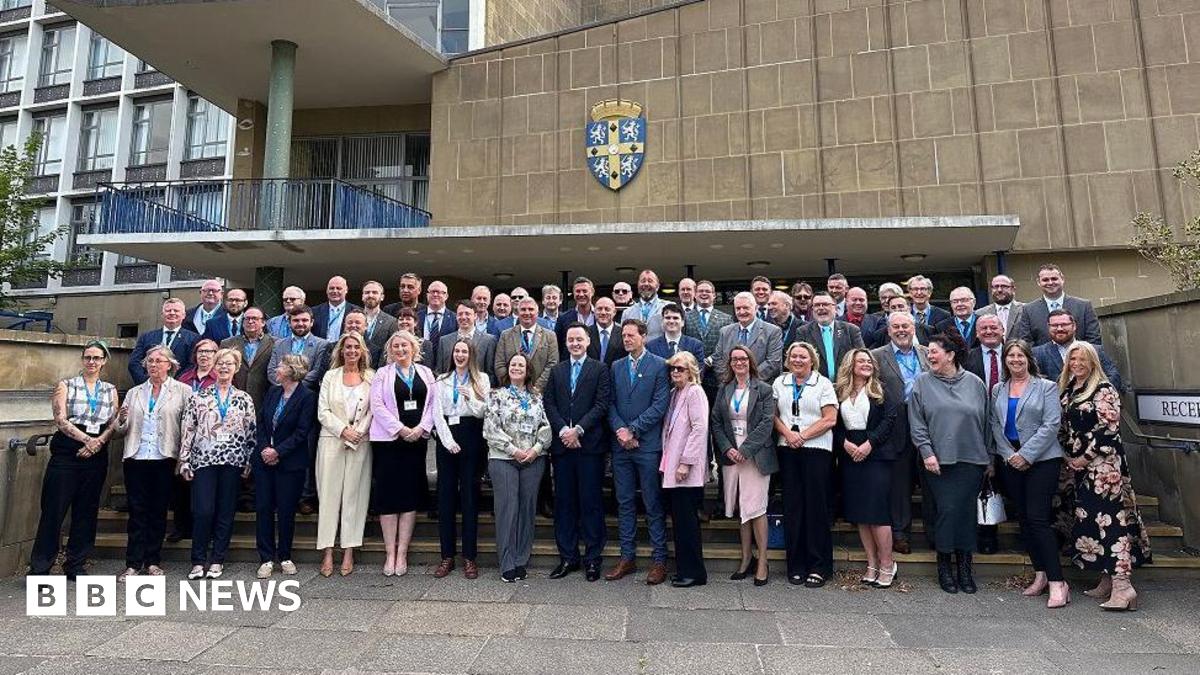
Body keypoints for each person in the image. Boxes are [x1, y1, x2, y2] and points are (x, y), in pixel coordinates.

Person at [1058, 340, 1151, 611]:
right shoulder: (1070, 388)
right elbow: (1064, 426)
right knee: (1092, 523)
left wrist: (1084, 458)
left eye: (1082, 359)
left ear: (1093, 362)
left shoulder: (1103, 388)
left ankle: (1123, 586)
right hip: (1079, 468)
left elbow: (1109, 428)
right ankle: (1106, 579)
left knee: (1111, 523)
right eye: (1072, 359)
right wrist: (1069, 458)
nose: (1077, 364)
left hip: (1103, 468)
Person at [988, 339, 1069, 608]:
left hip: (1041, 460)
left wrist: (1027, 454)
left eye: (1020, 355)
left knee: (1037, 519)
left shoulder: (1045, 387)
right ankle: (1040, 574)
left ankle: (1058, 582)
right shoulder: (998, 389)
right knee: (1023, 518)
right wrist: (1009, 454)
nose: (1015, 360)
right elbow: (995, 425)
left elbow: (1051, 424)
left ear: (1028, 358)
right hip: (1010, 460)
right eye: (1010, 356)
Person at [907, 332, 989, 594]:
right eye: (928, 352)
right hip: (937, 461)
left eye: (934, 352)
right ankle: (944, 565)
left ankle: (965, 567)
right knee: (947, 511)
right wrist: (927, 452)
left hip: (972, 460)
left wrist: (990, 458)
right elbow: (917, 423)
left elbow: (987, 422)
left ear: (951, 355)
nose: (929, 356)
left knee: (966, 513)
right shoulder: (922, 383)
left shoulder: (975, 383)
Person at [30, 341, 119, 579]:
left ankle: (76, 564)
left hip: (97, 453)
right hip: (68, 450)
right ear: (82, 359)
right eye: (88, 357)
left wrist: (98, 442)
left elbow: (113, 423)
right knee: (53, 510)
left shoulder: (110, 390)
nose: (92, 362)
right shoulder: (66, 385)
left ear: (104, 361)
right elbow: (60, 419)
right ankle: (40, 567)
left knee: (87, 511)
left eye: (97, 358)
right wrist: (86, 441)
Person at [114, 346, 192, 580]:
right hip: (137, 456)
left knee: (158, 511)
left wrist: (184, 458)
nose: (154, 365)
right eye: (150, 361)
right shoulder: (135, 392)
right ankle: (133, 563)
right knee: (137, 511)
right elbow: (121, 428)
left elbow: (188, 427)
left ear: (170, 365)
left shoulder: (183, 390)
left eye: (159, 361)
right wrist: (120, 419)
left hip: (164, 457)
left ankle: (153, 561)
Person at [179, 348, 256, 580]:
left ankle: (217, 560)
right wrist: (184, 459)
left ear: (236, 368)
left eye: (229, 364)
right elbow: (188, 429)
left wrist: (249, 460)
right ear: (213, 366)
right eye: (220, 363)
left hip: (233, 461)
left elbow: (251, 431)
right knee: (202, 511)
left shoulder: (244, 398)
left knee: (225, 512)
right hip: (204, 460)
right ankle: (198, 560)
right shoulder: (199, 397)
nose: (224, 367)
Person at [605, 319, 671, 584]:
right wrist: (621, 431)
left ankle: (659, 560)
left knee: (653, 503)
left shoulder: (658, 365)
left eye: (631, 335)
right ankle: (627, 557)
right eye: (624, 336)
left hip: (647, 446)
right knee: (624, 502)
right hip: (621, 448)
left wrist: (633, 430)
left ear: (644, 336)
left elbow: (660, 404)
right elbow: (609, 403)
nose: (627, 339)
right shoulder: (616, 366)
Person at [544, 323, 611, 581]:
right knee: (565, 504)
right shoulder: (557, 370)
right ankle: (568, 557)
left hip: (589, 447)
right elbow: (549, 402)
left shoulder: (599, 368)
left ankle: (593, 559)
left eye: (579, 339)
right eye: (571, 339)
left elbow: (602, 403)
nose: (574, 343)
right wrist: (563, 430)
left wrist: (579, 430)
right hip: (563, 448)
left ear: (587, 341)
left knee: (591, 503)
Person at [369, 329, 437, 576]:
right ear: (390, 350)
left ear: (413, 348)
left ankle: (402, 553)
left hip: (416, 442)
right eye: (395, 346)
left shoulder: (427, 373)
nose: (400, 350)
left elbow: (433, 404)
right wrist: (400, 429)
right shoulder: (382, 374)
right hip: (389, 442)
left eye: (404, 346)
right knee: (389, 498)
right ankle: (390, 554)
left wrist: (421, 428)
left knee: (409, 497)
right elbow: (376, 405)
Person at [772, 341, 839, 587]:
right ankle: (796, 565)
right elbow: (773, 415)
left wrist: (803, 435)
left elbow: (830, 418)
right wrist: (789, 435)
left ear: (812, 360)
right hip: (788, 449)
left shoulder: (822, 384)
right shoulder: (780, 382)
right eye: (794, 356)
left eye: (803, 356)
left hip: (816, 450)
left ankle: (818, 566)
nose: (798, 360)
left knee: (816, 508)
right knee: (793, 507)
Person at [834, 348, 901, 588]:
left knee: (877, 513)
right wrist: (844, 443)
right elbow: (835, 423)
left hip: (877, 454)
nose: (866, 364)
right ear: (850, 365)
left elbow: (889, 420)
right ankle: (871, 563)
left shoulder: (882, 389)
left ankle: (887, 563)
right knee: (860, 514)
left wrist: (870, 444)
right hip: (850, 454)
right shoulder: (840, 391)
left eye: (869, 361)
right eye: (861, 360)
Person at [710, 345, 775, 586]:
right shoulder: (724, 389)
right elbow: (716, 421)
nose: (739, 362)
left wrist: (746, 450)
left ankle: (762, 561)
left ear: (751, 362)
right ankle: (746, 558)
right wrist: (728, 448)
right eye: (735, 359)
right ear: (729, 364)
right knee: (742, 509)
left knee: (756, 508)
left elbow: (767, 423)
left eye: (743, 359)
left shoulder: (765, 389)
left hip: (754, 455)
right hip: (732, 455)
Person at [485, 352, 552, 582]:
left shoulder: (536, 397)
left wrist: (535, 449)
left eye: (520, 365)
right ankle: (507, 562)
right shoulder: (497, 395)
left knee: (526, 509)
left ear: (527, 370)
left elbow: (546, 425)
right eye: (513, 364)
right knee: (508, 509)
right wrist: (514, 450)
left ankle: (521, 559)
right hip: (504, 459)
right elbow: (490, 428)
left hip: (533, 459)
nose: (516, 367)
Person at [429, 337, 491, 580]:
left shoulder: (481, 379)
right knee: (445, 497)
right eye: (457, 351)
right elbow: (436, 413)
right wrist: (447, 441)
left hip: (472, 435)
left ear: (471, 355)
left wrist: (470, 398)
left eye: (464, 351)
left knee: (469, 497)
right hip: (447, 438)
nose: (460, 355)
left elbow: (484, 411)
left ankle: (469, 557)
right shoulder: (442, 380)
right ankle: (447, 556)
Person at [315, 333, 375, 578]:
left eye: (356, 347)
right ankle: (328, 551)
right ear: (341, 351)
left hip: (361, 442)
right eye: (347, 347)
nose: (351, 351)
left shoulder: (371, 377)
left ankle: (349, 550)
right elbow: (323, 411)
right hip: (332, 440)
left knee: (355, 496)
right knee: (329, 497)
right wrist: (343, 431)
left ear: (362, 351)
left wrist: (358, 432)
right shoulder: (331, 376)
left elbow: (375, 409)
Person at [870, 312, 930, 554]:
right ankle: (900, 533)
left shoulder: (927, 352)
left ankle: (935, 532)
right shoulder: (876, 356)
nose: (901, 330)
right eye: (896, 327)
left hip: (927, 420)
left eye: (906, 325)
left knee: (930, 478)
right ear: (889, 330)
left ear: (913, 327)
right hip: (896, 422)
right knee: (900, 482)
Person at [253, 354, 316, 579]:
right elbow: (260, 423)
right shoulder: (273, 392)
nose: (277, 369)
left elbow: (302, 432)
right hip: (264, 461)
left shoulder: (307, 396)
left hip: (290, 463)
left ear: (292, 370)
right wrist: (264, 449)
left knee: (287, 510)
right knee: (263, 509)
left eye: (280, 365)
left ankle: (285, 556)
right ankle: (266, 558)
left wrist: (278, 451)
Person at [660, 351, 709, 587]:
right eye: (673, 368)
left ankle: (694, 573)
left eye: (680, 368)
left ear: (691, 371)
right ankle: (684, 569)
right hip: (672, 465)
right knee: (679, 522)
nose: (675, 372)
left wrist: (685, 462)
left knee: (688, 523)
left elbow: (699, 428)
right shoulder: (674, 393)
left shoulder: (695, 392)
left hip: (685, 469)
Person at [169, 338, 219, 541]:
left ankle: (207, 530)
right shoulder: (184, 378)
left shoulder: (220, 378)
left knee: (206, 488)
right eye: (200, 351)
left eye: (209, 352)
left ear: (216, 356)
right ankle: (181, 527)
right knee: (182, 483)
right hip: (185, 435)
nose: (204, 355)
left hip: (211, 439)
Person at [1014, 263, 1102, 345]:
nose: (1050, 283)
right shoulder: (1028, 310)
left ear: (1062, 279)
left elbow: (1094, 339)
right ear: (1038, 282)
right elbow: (1026, 342)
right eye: (1045, 280)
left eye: (1054, 279)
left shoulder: (1084, 306)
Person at [1033, 310, 1123, 390]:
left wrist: (1093, 392)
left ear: (1074, 326)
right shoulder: (1038, 353)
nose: (1059, 328)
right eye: (1054, 325)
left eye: (1064, 324)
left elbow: (1114, 377)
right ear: (1048, 327)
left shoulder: (1095, 350)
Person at [713, 292, 784, 383]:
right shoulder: (725, 332)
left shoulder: (772, 331)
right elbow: (718, 359)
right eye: (738, 308)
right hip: (730, 388)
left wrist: (747, 381)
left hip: (760, 389)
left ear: (755, 308)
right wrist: (730, 380)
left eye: (746, 308)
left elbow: (773, 362)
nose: (742, 312)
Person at [794, 293, 865, 381]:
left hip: (846, 386)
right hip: (816, 386)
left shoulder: (851, 330)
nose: (821, 308)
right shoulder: (803, 332)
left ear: (835, 308)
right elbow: (798, 360)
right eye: (816, 305)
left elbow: (862, 358)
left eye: (825, 304)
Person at [494, 297, 559, 393]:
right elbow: (499, 364)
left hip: (540, 393)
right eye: (523, 309)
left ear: (537, 313)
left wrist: (536, 388)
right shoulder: (506, 335)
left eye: (531, 309)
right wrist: (513, 387)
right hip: (511, 393)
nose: (527, 313)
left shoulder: (550, 336)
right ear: (518, 313)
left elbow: (552, 364)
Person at [129, 297, 199, 384]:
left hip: (178, 388)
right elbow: (134, 363)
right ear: (162, 314)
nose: (172, 313)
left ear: (184, 315)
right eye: (168, 310)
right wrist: (148, 382)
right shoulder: (146, 337)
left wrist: (172, 383)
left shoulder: (193, 338)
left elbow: (192, 365)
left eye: (176, 311)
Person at [684, 280, 734, 397]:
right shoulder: (685, 317)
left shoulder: (726, 319)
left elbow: (727, 345)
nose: (704, 293)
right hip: (692, 373)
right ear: (695, 295)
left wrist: (710, 360)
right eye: (701, 291)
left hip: (717, 375)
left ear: (714, 296)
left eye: (708, 291)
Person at [222, 306, 275, 411]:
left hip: (263, 397)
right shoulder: (227, 343)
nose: (250, 321)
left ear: (263, 323)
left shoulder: (275, 343)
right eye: (247, 318)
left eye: (255, 318)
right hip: (233, 398)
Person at [268, 305, 330, 390]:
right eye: (296, 320)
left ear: (311, 322)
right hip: (279, 393)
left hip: (307, 396)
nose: (300, 324)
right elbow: (271, 371)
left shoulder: (322, 345)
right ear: (289, 323)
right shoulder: (278, 344)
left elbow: (316, 372)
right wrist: (285, 386)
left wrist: (293, 386)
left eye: (304, 320)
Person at [437, 299, 498, 381]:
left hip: (477, 390)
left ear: (475, 316)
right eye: (460, 314)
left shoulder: (488, 341)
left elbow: (490, 373)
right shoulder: (444, 341)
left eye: (467, 314)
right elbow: (440, 371)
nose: (463, 317)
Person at [646, 303, 704, 370]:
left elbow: (698, 372)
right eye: (668, 318)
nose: (671, 321)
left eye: (675, 318)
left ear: (682, 322)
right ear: (662, 321)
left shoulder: (695, 346)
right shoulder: (651, 346)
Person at [620, 269, 670, 340]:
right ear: (638, 285)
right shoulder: (627, 312)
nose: (646, 284)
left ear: (657, 286)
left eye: (650, 281)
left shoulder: (668, 307)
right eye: (643, 281)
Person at [555, 276, 597, 358]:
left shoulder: (600, 316)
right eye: (578, 291)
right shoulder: (563, 318)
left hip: (595, 366)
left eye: (585, 291)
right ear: (573, 294)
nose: (581, 294)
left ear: (592, 292)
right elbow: (558, 346)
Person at [361, 280, 399, 367]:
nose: (370, 295)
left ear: (382, 297)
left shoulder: (391, 322)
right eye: (367, 292)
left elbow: (391, 349)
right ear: (362, 296)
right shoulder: (354, 319)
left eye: (374, 292)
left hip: (381, 370)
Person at [976, 274, 1025, 338]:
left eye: (1004, 286)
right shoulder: (980, 313)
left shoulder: (1026, 309)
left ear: (1013, 289)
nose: (999, 290)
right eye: (995, 286)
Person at [417, 280, 456, 362]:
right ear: (427, 295)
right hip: (421, 363)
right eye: (432, 292)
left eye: (439, 292)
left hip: (446, 365)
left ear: (446, 296)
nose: (435, 295)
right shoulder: (416, 316)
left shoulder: (455, 318)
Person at [312, 275, 359, 341]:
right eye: (331, 288)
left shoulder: (356, 312)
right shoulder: (315, 311)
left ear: (346, 290)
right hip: (321, 350)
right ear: (327, 291)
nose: (334, 291)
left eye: (338, 288)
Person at [587, 297, 627, 367]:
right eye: (599, 309)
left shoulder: (624, 333)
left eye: (607, 309)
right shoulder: (586, 333)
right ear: (594, 312)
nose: (603, 312)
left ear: (614, 312)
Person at [861, 283, 901, 348]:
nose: (886, 301)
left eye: (891, 298)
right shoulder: (872, 320)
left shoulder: (909, 318)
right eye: (883, 298)